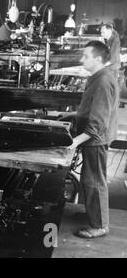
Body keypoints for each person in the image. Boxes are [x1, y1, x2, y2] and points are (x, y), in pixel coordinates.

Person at [68, 40, 119, 238]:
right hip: (93, 138)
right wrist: (73, 117)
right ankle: (95, 215)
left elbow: (98, 123)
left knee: (94, 181)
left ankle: (99, 225)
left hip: (95, 140)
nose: (82, 60)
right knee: (91, 179)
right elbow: (91, 109)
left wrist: (75, 141)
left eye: (85, 56)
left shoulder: (103, 81)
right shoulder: (98, 76)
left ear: (97, 59)